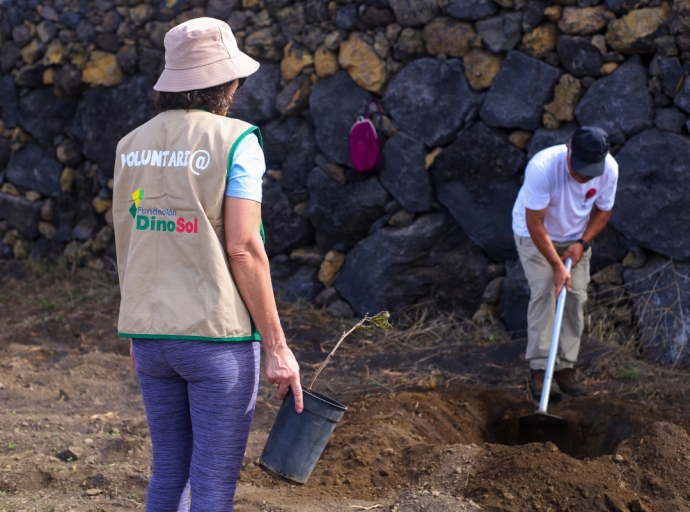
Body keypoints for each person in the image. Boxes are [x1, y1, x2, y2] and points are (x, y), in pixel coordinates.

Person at [112, 18, 303, 512]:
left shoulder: (130, 145)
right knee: (213, 484)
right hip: (217, 340)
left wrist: (138, 328)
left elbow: (132, 236)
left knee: (168, 473)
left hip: (151, 339)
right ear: (228, 83)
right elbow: (243, 248)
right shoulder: (238, 141)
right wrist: (278, 347)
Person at [511, 126, 618, 399]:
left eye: (589, 170)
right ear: (569, 149)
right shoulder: (543, 167)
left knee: (576, 297)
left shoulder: (609, 170)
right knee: (546, 290)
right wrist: (558, 267)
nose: (582, 175)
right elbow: (534, 223)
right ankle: (539, 368)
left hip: (575, 239)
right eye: (578, 167)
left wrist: (582, 243)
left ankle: (563, 368)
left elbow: (603, 212)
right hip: (534, 234)